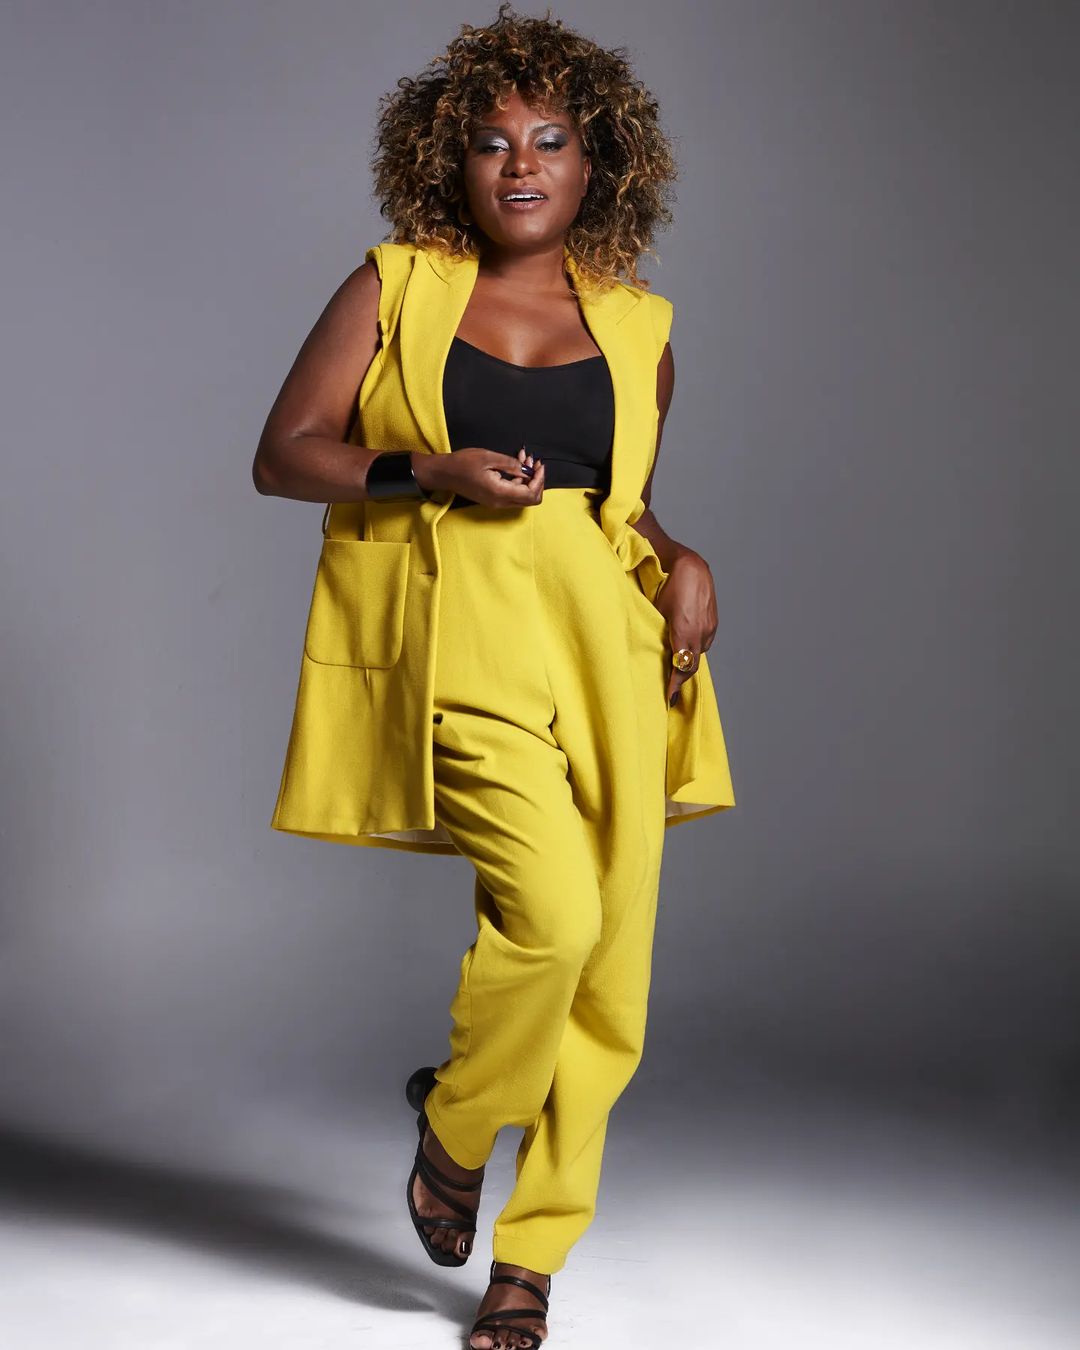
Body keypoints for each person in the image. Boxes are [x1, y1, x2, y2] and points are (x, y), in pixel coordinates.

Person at [253, 6, 735, 1346]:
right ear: (445, 162)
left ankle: (529, 1265)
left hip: (611, 648)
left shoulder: (641, 329)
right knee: (553, 921)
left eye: (551, 138)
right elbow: (285, 453)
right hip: (461, 639)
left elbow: (622, 507)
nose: (519, 164)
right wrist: (431, 470)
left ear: (599, 161)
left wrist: (684, 557)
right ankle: (458, 1127)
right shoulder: (395, 287)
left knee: (613, 975)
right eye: (489, 141)